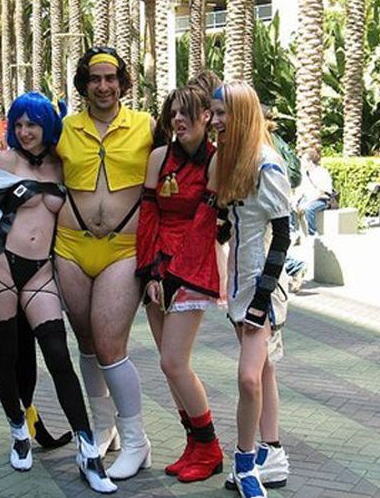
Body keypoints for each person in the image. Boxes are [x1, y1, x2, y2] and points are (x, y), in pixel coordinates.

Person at [0, 92, 116, 494]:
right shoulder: (5, 162)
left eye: (33, 123)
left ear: (47, 124)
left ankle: (88, 450)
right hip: (1, 267)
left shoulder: (61, 164)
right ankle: (18, 430)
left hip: (41, 272)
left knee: (59, 355)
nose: (25, 131)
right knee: (6, 354)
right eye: (19, 124)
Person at [53, 47, 154, 480]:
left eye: (111, 78)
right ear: (84, 84)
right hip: (70, 247)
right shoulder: (65, 128)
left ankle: (136, 441)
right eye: (95, 79)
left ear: (122, 82)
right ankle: (103, 428)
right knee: (87, 343)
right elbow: (36, 165)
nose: (103, 86)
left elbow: (183, 163)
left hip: (123, 250)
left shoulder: (147, 126)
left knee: (111, 345)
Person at [136, 86, 223, 482]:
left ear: (206, 115)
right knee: (170, 366)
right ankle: (193, 444)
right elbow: (149, 217)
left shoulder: (216, 161)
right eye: (173, 113)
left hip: (193, 267)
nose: (178, 120)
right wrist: (152, 271)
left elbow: (206, 224)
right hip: (157, 267)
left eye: (186, 112)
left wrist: (173, 273)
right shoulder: (159, 158)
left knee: (173, 362)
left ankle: (210, 448)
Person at [212, 82, 291, 497]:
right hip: (239, 287)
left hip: (262, 289)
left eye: (221, 113)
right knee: (263, 371)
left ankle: (245, 464)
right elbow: (228, 225)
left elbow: (283, 237)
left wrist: (261, 300)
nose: (215, 121)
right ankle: (272, 452)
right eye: (213, 113)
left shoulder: (267, 164)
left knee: (248, 378)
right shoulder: (232, 160)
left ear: (241, 114)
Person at [291, 149, 333, 236]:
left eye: (303, 160)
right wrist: (294, 201)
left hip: (320, 200)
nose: (301, 162)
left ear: (310, 162)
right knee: (290, 206)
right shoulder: (304, 173)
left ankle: (312, 233)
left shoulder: (322, 172)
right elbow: (300, 190)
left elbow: (322, 192)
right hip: (306, 198)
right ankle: (292, 232)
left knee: (309, 209)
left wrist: (307, 203)